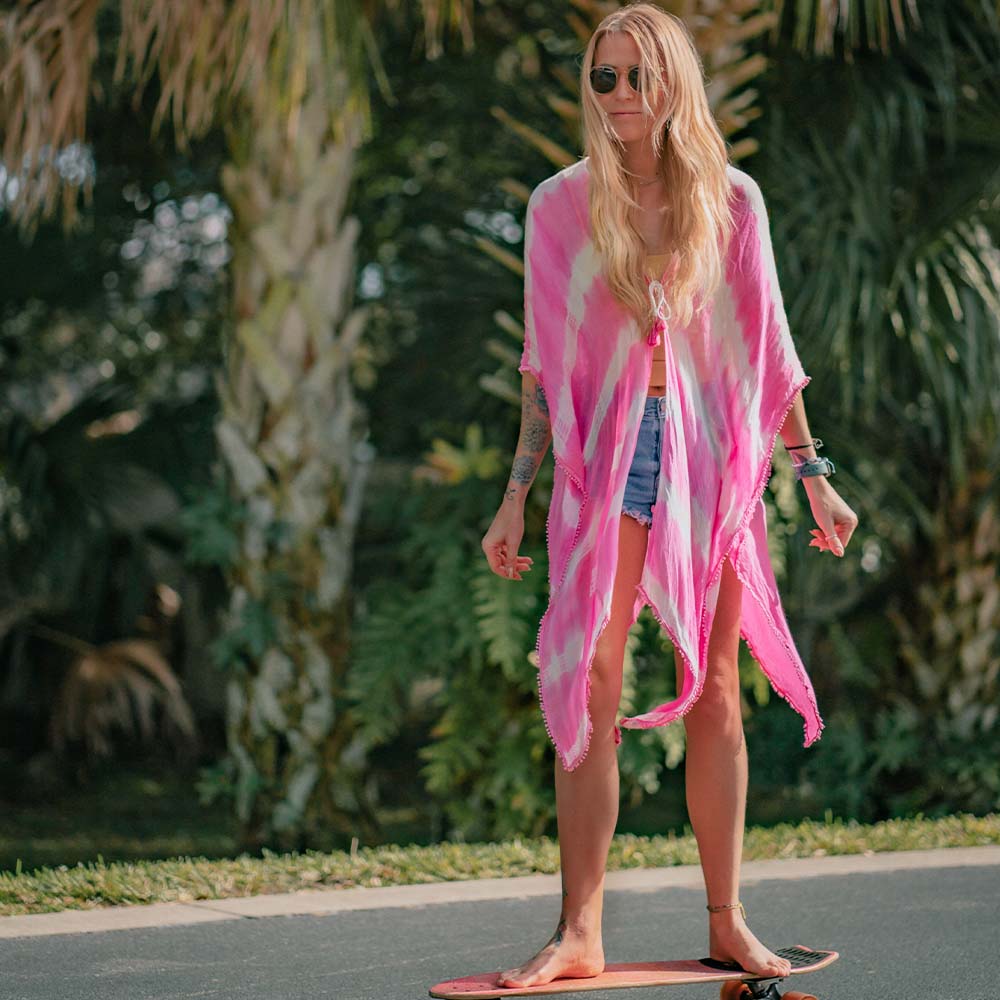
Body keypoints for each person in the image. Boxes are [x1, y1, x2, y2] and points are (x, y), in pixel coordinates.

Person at [480, 1, 858, 990]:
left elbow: (766, 350)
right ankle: (579, 930)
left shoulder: (731, 201)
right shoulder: (558, 205)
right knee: (590, 687)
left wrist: (813, 476)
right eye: (600, 78)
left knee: (720, 694)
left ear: (671, 85)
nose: (615, 96)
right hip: (605, 464)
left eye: (634, 77)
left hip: (710, 461)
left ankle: (728, 920)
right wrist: (514, 491)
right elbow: (542, 367)